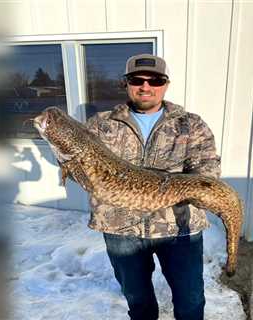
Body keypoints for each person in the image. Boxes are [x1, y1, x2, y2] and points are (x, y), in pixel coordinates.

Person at [86, 54, 221, 320]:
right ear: (126, 83)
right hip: (120, 228)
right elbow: (86, 171)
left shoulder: (190, 124)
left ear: (166, 84)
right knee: (138, 302)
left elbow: (208, 171)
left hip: (179, 228)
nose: (145, 86)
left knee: (191, 300)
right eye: (137, 79)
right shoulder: (100, 124)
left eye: (155, 80)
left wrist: (164, 189)